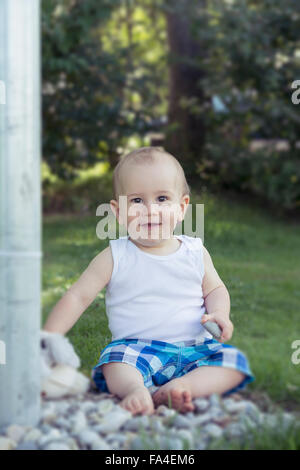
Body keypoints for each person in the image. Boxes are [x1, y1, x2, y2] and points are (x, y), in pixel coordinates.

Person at [43, 146, 255, 415]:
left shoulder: (194, 251)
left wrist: (219, 313)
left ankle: (181, 386)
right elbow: (78, 296)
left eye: (162, 198)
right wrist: (48, 337)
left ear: (181, 208)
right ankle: (135, 390)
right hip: (137, 350)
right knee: (115, 363)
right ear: (118, 211)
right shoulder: (115, 256)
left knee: (232, 361)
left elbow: (214, 288)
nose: (150, 210)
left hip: (195, 349)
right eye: (137, 201)